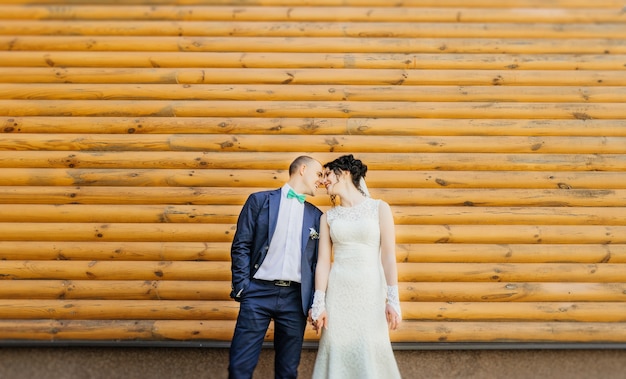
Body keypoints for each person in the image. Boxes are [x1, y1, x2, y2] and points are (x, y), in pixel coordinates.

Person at [228, 155, 325, 379]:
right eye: (318, 174)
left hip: (295, 299)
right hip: (257, 293)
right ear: (302, 169)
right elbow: (241, 245)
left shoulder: (316, 216)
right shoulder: (259, 201)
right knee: (239, 367)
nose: (320, 180)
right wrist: (243, 287)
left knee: (287, 371)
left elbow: (315, 264)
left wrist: (313, 302)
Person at [310, 154, 402, 379]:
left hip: (370, 292)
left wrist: (393, 300)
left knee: (369, 348)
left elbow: (388, 257)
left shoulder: (380, 208)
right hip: (338, 295)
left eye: (328, 174)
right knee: (336, 347)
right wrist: (319, 302)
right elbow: (323, 262)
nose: (324, 181)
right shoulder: (328, 217)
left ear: (346, 173)